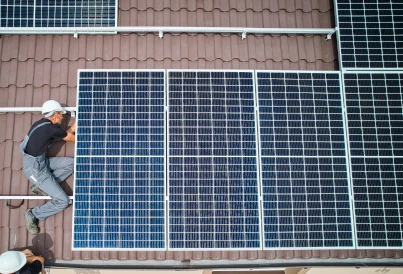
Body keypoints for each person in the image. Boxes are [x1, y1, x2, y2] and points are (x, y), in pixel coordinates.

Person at [21, 100, 76, 235]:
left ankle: (41, 187)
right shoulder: (50, 128)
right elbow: (71, 138)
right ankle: (33, 214)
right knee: (63, 201)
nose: (62, 117)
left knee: (72, 163)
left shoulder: (41, 125)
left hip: (41, 162)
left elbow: (64, 135)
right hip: (35, 170)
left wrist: (76, 125)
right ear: (56, 115)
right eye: (61, 114)